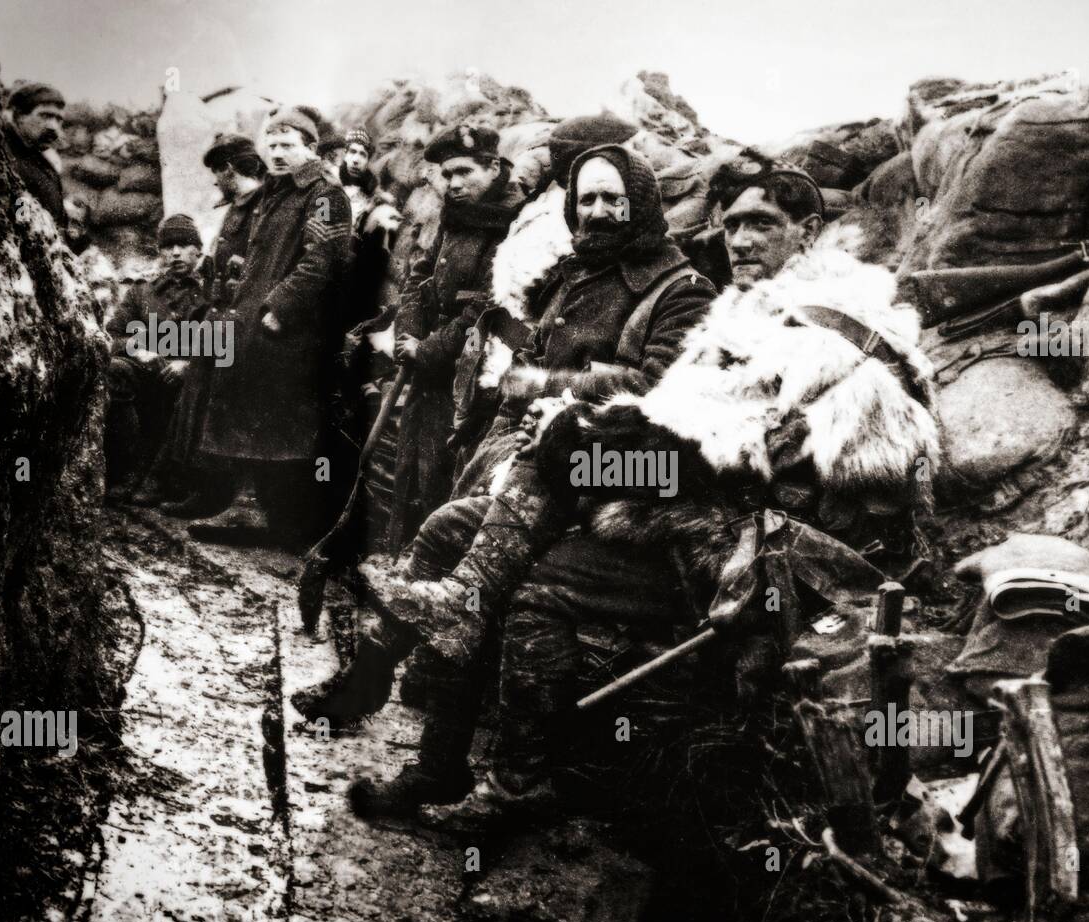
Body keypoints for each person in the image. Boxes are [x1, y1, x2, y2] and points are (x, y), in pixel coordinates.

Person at [347, 156, 938, 821]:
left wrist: (607, 441)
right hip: (688, 499)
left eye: (763, 225)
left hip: (750, 547)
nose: (742, 240)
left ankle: (518, 782)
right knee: (481, 508)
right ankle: (436, 749)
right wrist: (599, 433)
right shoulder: (748, 311)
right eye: (734, 224)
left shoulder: (834, 330)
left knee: (541, 574)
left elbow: (755, 459)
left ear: (808, 232)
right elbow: (679, 421)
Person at [293, 145, 718, 807]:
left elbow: (657, 390)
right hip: (551, 470)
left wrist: (556, 398)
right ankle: (387, 702)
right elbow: (519, 360)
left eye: (614, 199)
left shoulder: (681, 291)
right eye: (588, 199)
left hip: (632, 480)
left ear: (642, 204)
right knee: (442, 530)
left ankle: (505, 778)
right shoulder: (573, 275)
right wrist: (521, 416)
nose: (599, 212)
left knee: (495, 585)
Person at [189, 107, 353, 546]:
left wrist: (280, 306)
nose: (278, 154)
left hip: (290, 326)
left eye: (288, 145)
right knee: (247, 408)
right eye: (273, 145)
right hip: (253, 318)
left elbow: (325, 259)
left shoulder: (323, 193)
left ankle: (279, 517)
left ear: (311, 148)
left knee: (279, 420)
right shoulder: (274, 193)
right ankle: (247, 505)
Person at [383, 123, 527, 549]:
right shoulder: (455, 213)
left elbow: (485, 304)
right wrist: (408, 333)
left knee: (448, 474)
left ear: (494, 167)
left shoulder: (513, 221)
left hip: (472, 373)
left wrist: (427, 350)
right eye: (447, 175)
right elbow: (420, 272)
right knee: (412, 468)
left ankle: (429, 570)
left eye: (464, 171)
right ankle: (398, 558)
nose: (454, 183)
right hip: (429, 363)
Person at [142, 134, 266, 516]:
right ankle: (194, 484)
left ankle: (217, 492)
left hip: (247, 321)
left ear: (229, 169)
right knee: (198, 395)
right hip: (221, 317)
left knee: (223, 404)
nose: (215, 182)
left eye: (217, 173)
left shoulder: (263, 209)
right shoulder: (236, 210)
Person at [104, 214, 208, 502]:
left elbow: (224, 341)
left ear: (197, 250)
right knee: (116, 370)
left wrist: (189, 365)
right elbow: (112, 337)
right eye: (168, 246)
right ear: (159, 251)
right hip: (151, 377)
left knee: (197, 389)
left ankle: (159, 477)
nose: (175, 253)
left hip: (192, 382)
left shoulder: (212, 291)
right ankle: (126, 470)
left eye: (184, 244)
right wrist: (142, 351)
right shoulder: (141, 291)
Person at [5, 81, 66, 226]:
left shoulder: (37, 154)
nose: (53, 126)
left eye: (58, 119)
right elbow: (22, 221)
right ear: (19, 116)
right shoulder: (3, 157)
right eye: (45, 116)